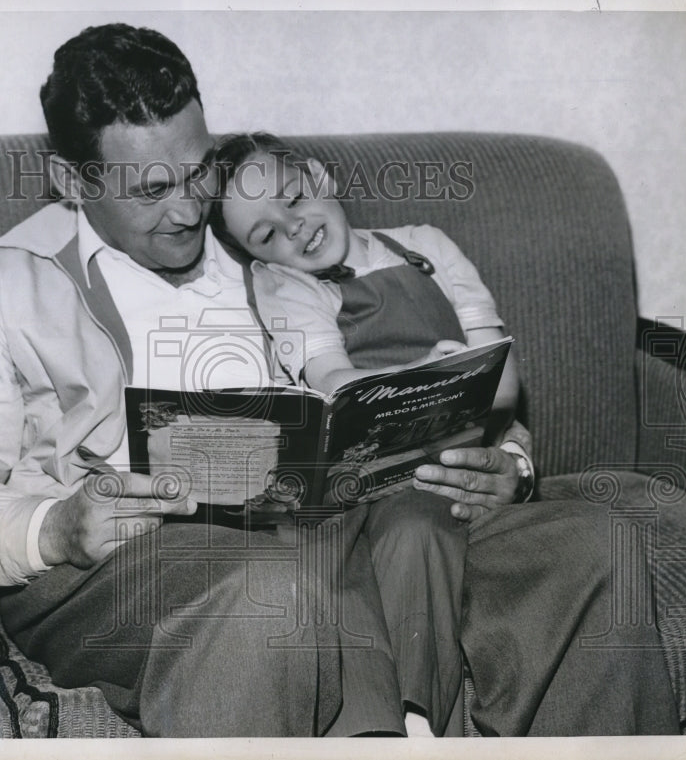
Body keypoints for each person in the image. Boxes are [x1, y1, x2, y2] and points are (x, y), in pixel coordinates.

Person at [0, 22, 680, 737]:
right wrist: (54, 526)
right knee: (283, 595)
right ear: (74, 183)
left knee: (592, 547)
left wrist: (509, 465)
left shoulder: (265, 229)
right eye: (154, 191)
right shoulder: (4, 288)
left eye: (196, 172)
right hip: (139, 557)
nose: (191, 209)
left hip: (355, 521)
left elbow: (421, 358)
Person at [206, 131, 522, 734]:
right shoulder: (289, 289)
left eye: (293, 198)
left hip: (464, 464)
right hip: (379, 479)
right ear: (259, 258)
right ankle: (423, 725)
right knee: (412, 524)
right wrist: (437, 373)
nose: (293, 228)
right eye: (266, 234)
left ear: (321, 176)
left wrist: (462, 374)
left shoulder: (425, 247)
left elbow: (505, 381)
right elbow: (336, 386)